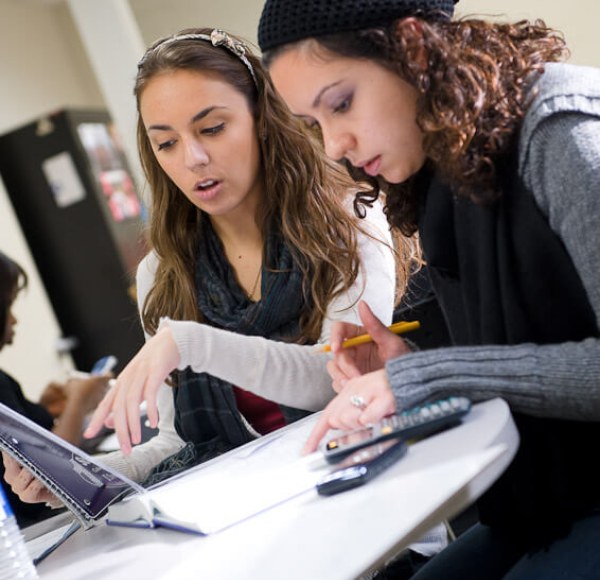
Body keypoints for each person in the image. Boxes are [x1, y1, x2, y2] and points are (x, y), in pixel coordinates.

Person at [257, 1, 600, 578]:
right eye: (314, 124)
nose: (334, 145)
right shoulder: (449, 172)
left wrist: (430, 377)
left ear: (413, 48)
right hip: (549, 500)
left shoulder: (561, 131)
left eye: (341, 104)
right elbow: (523, 357)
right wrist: (409, 365)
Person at [0, 250, 110, 527]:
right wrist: (79, 402)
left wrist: (43, 409)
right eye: (9, 306)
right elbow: (48, 470)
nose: (14, 320)